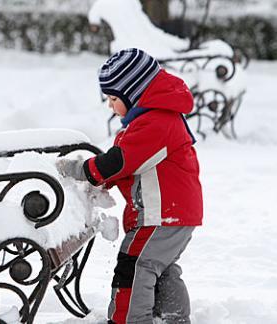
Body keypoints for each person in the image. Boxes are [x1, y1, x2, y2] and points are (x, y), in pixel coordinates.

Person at [56, 48, 203, 324]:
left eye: (113, 98)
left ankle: (129, 320)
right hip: (174, 214)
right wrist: (104, 178)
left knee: (135, 264)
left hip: (161, 216)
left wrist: (80, 170)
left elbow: (121, 160)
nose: (110, 105)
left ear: (134, 94)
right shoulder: (156, 120)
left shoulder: (156, 122)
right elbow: (131, 164)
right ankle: (172, 317)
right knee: (161, 267)